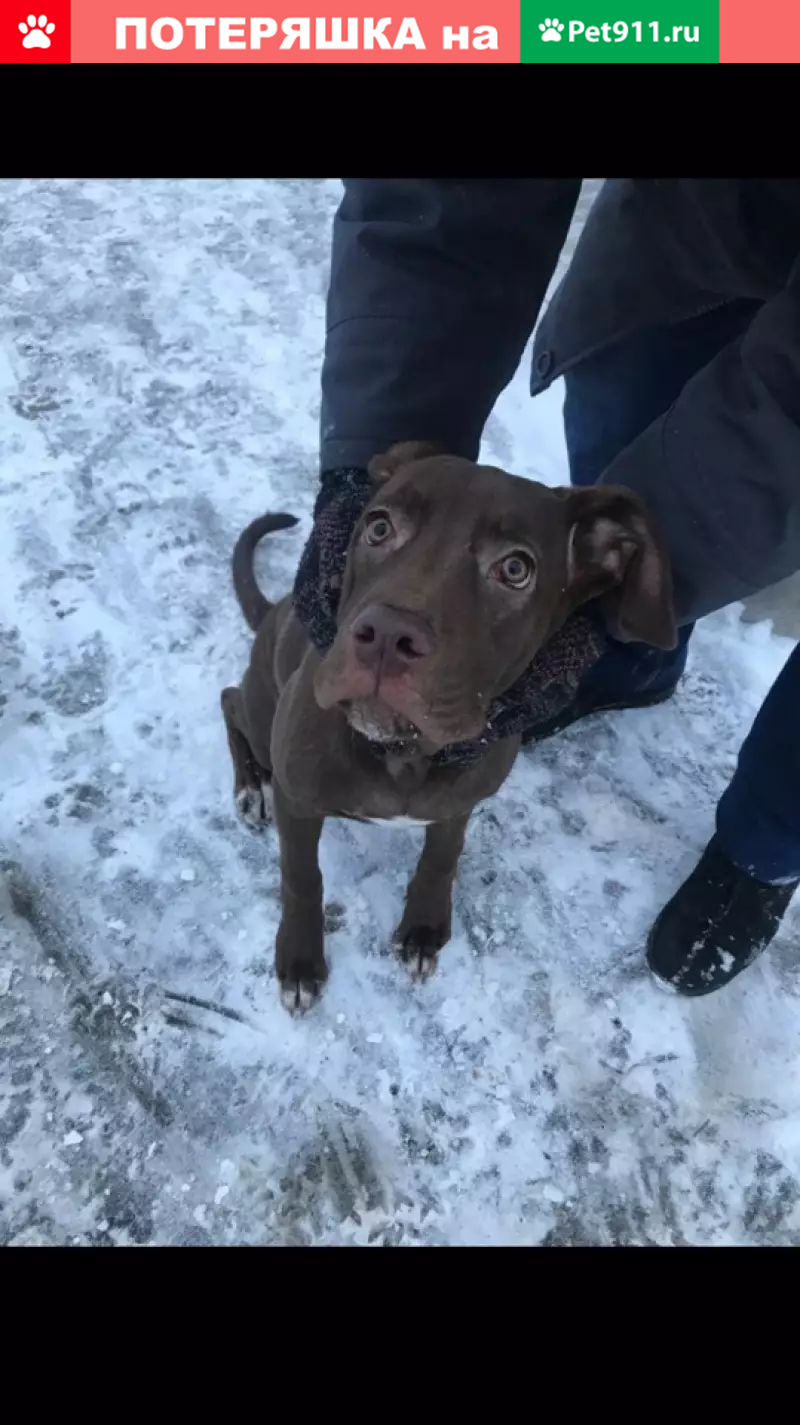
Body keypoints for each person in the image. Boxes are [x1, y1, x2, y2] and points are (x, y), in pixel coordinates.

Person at [292, 179, 800, 997]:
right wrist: (369, 462)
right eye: (381, 529)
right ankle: (633, 661)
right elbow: (440, 193)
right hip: (690, 218)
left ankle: (768, 844)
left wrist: (597, 593)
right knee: (625, 411)